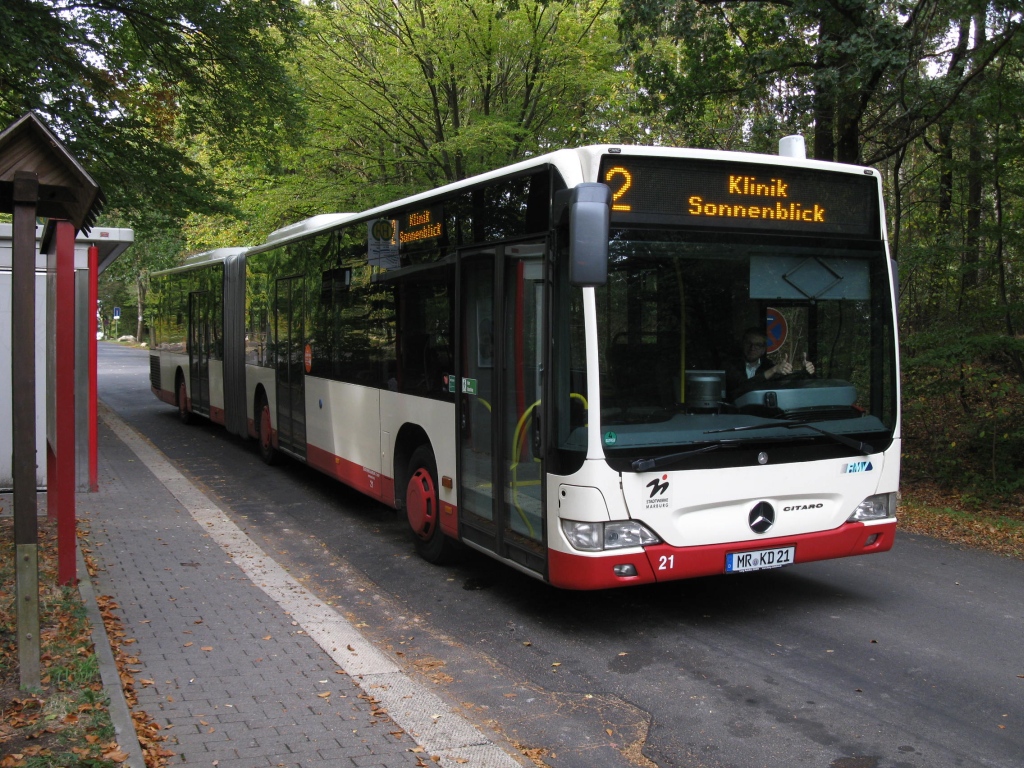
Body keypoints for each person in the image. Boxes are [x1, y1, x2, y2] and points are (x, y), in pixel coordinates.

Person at [725, 327, 815, 399]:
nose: (752, 348)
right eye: (749, 343)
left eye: (758, 345)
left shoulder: (767, 365)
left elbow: (785, 385)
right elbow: (740, 390)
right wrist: (772, 370)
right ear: (743, 344)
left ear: (764, 349)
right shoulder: (730, 364)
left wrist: (805, 373)